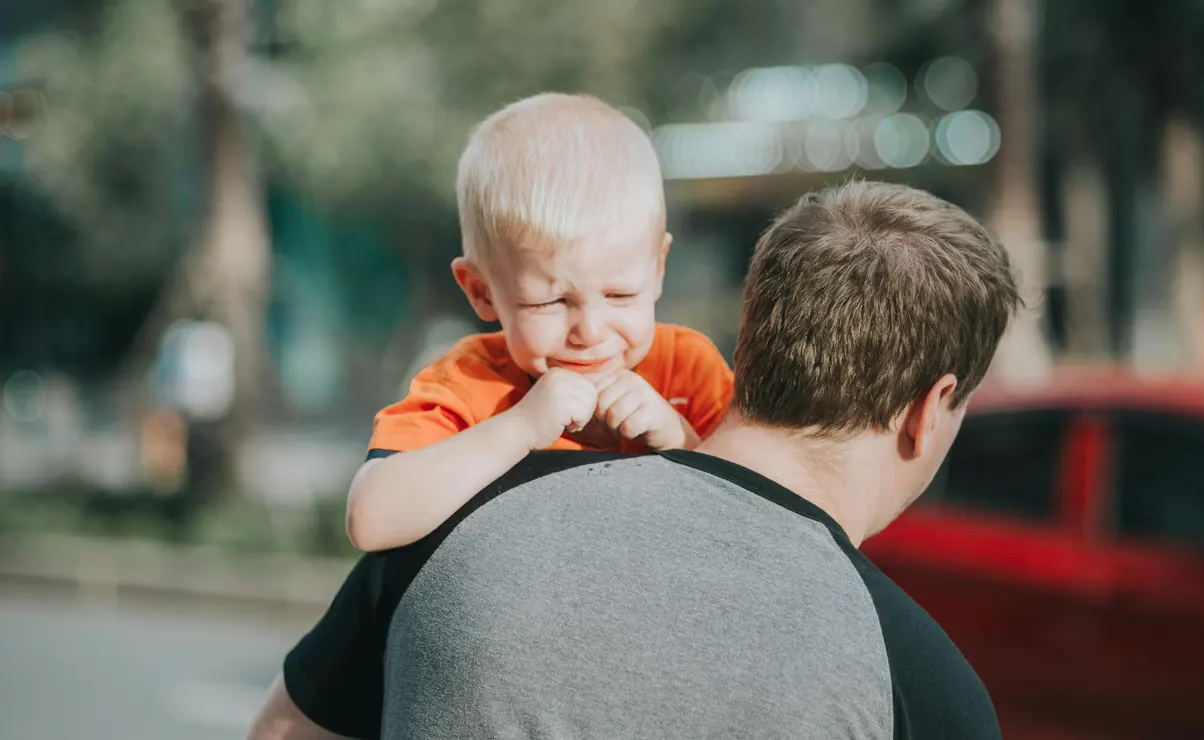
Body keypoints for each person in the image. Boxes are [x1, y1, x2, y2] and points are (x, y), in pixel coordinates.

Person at [248, 178, 1020, 740]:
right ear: (928, 409)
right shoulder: (925, 690)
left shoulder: (454, 523)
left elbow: (282, 732)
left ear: (750, 339)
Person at [345, 92, 734, 553]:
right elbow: (371, 521)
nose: (590, 332)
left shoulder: (688, 370)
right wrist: (519, 428)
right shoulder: (469, 384)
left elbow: (763, 521)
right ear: (481, 291)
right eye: (550, 302)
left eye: (620, 295)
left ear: (658, 269)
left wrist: (680, 440)